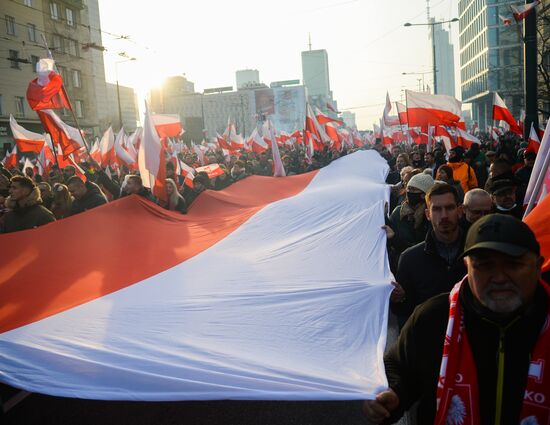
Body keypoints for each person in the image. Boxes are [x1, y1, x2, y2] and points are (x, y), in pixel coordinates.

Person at [364, 214, 547, 424]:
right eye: (484, 266)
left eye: (513, 265)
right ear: (467, 266)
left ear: (538, 267)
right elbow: (398, 366)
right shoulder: (433, 316)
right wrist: (393, 393)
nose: (499, 277)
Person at [391, 183, 467, 322]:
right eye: (437, 209)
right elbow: (405, 313)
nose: (444, 216)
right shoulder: (410, 259)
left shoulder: (475, 252)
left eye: (449, 208)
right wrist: (400, 298)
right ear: (428, 214)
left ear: (460, 210)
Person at [387, 173, 434, 258]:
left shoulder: (430, 216)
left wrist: (396, 240)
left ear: (424, 195)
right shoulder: (398, 212)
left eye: (414, 190)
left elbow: (425, 246)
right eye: (408, 188)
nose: (409, 192)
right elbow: (388, 231)